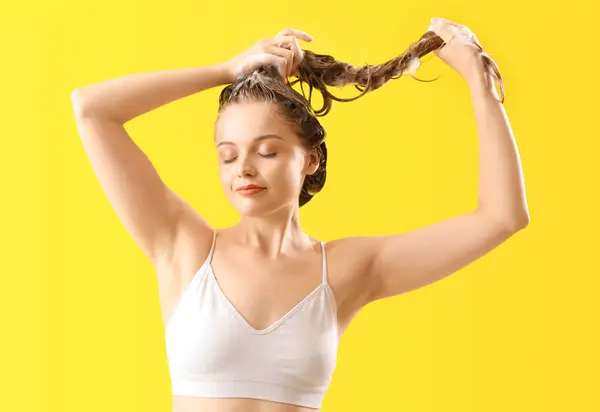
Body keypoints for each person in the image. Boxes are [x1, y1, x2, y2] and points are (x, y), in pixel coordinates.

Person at [71, 18, 529, 412]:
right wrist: (225, 71)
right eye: (227, 156)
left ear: (310, 159)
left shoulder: (347, 270)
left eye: (266, 150)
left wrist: (479, 84)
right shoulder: (183, 247)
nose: (244, 168)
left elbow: (502, 217)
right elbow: (92, 109)